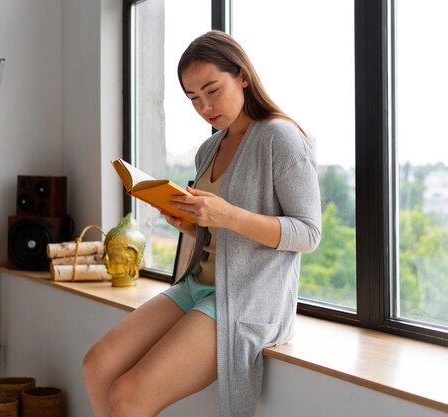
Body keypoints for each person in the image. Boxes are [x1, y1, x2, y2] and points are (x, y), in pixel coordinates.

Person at [82, 30, 321, 417]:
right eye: (193, 97)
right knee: (97, 365)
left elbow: (308, 234)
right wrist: (192, 225)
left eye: (212, 90)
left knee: (128, 395)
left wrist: (229, 215)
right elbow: (219, 233)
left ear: (242, 75)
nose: (204, 106)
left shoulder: (282, 137)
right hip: (198, 285)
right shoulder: (209, 149)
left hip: (245, 298)